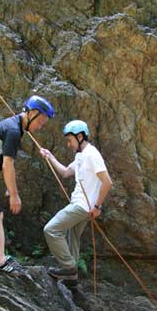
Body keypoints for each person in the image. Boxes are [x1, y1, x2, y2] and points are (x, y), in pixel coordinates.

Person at [0, 95, 55, 276]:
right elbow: (8, 164)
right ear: (33, 113)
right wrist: (14, 194)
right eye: (41, 122)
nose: (40, 127)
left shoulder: (15, 127)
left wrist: (8, 187)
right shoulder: (13, 130)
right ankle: (0, 262)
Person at [40, 120, 112, 285]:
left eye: (70, 140)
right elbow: (65, 172)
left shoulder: (92, 154)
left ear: (80, 136)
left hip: (82, 206)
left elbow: (107, 182)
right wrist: (49, 156)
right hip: (83, 207)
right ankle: (71, 277)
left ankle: (68, 267)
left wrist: (97, 206)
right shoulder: (80, 156)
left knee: (51, 229)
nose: (68, 144)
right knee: (73, 236)